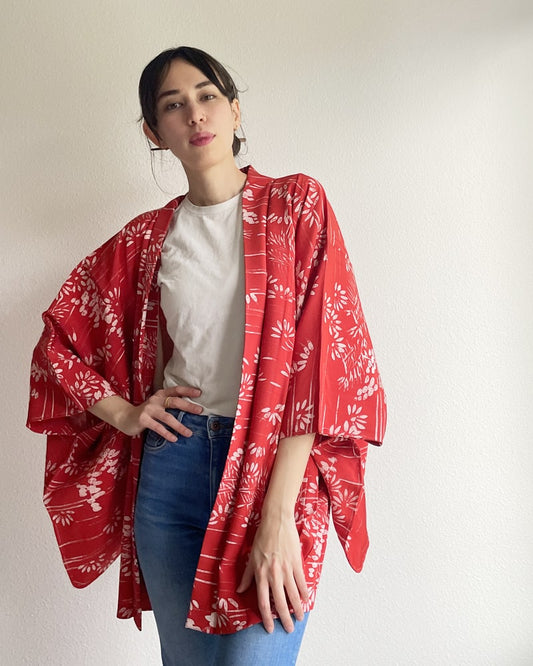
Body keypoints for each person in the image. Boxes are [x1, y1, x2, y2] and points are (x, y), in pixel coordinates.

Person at [27, 46, 386, 666]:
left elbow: (322, 363)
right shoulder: (147, 239)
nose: (194, 113)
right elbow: (59, 342)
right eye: (173, 105)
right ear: (154, 132)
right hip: (173, 470)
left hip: (274, 471)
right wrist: (124, 413)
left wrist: (277, 519)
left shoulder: (297, 207)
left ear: (234, 109)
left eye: (207, 95)